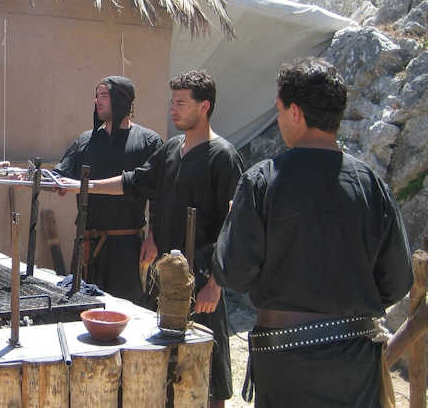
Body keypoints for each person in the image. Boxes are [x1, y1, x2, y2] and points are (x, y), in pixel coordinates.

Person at [212, 58, 413, 408]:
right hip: (356, 358)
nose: (278, 119)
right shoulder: (371, 185)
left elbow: (234, 273)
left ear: (295, 112)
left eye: (278, 110)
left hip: (287, 363)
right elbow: (397, 281)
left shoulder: (262, 181)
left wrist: (235, 225)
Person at [83, 70, 244, 408]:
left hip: (202, 280)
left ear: (204, 106)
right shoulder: (172, 150)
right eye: (172, 102)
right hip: (163, 277)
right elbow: (134, 182)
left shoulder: (223, 157)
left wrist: (216, 283)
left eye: (181, 103)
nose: (173, 109)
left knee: (207, 375)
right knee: (164, 368)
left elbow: (234, 227)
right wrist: (86, 186)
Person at [53, 76, 162, 302]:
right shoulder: (86, 140)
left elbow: (159, 195)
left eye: (104, 95)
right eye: (96, 96)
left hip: (127, 248)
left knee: (126, 309)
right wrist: (29, 177)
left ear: (121, 100)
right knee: (83, 307)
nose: (97, 101)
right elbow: (58, 177)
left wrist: (153, 237)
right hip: (86, 246)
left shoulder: (148, 142)